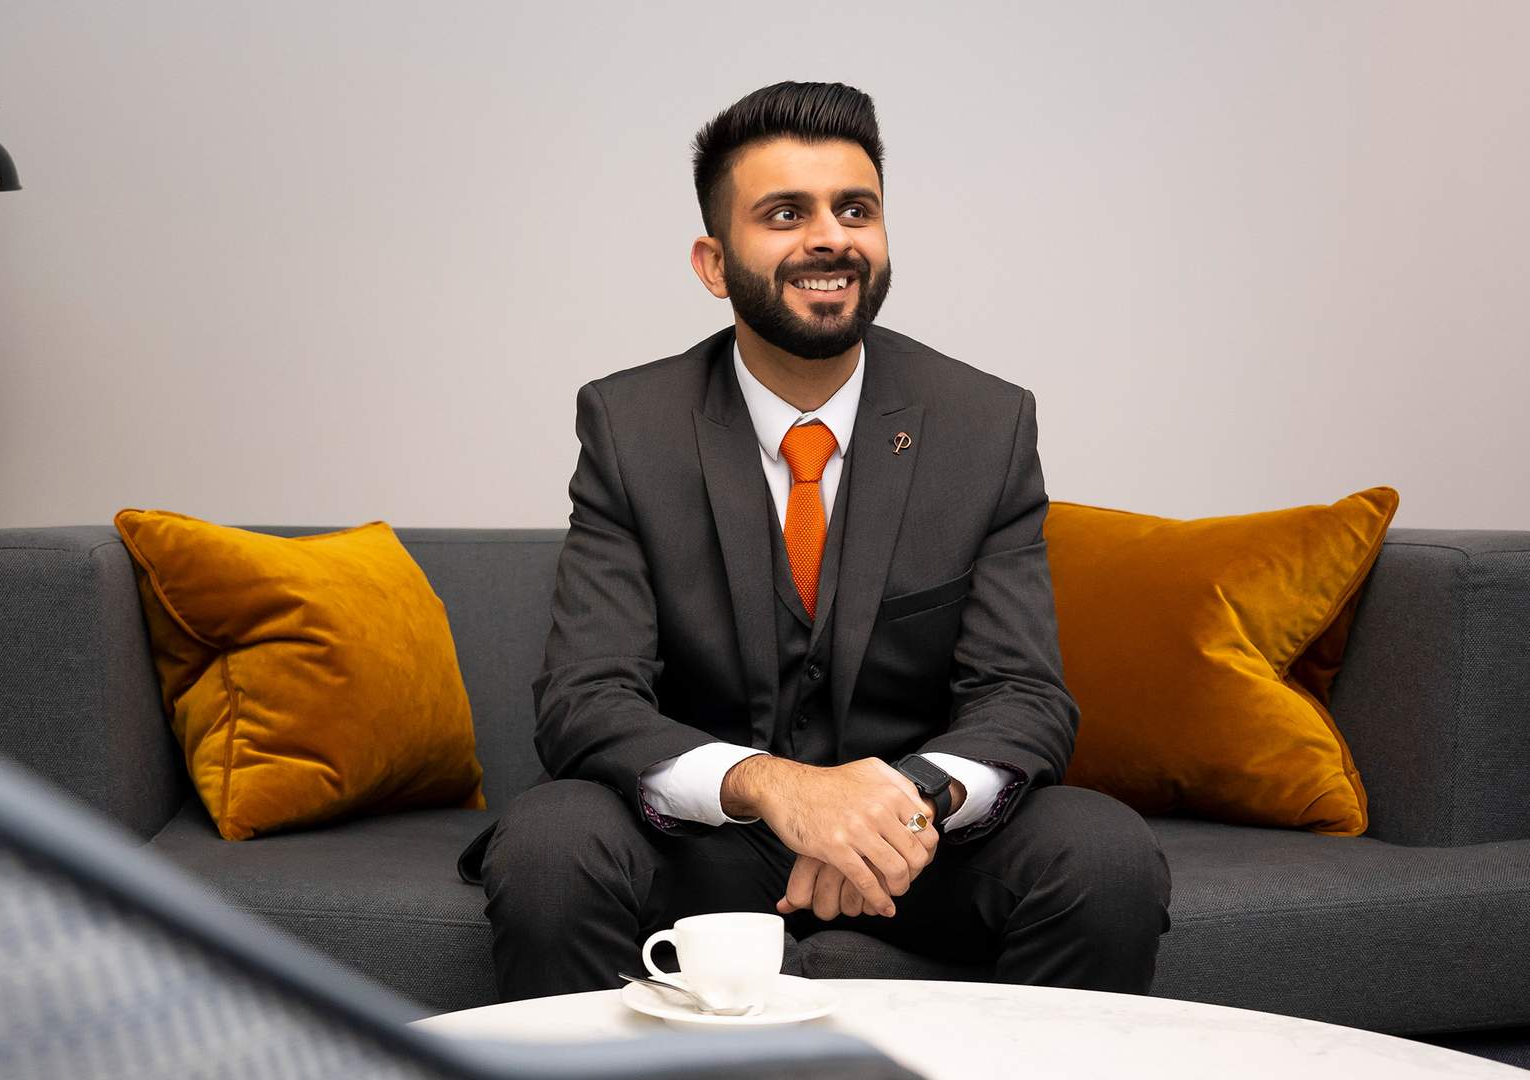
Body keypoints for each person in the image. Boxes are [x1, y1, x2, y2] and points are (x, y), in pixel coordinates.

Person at [454, 80, 1171, 1003]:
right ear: (714, 263)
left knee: (1104, 855)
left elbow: (1022, 696)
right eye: (785, 213)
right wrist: (779, 789)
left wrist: (892, 807)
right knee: (551, 843)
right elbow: (586, 699)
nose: (829, 237)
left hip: (922, 849)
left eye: (854, 209)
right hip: (706, 844)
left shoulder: (985, 422)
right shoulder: (630, 424)